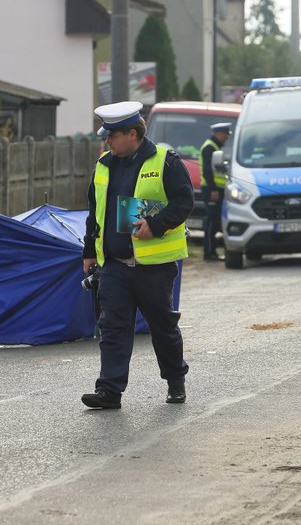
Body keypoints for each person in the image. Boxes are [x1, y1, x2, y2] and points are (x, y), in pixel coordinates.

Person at [81, 101, 194, 409]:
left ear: (132, 134)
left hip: (153, 266)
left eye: (112, 136)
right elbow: (96, 212)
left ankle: (175, 381)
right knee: (113, 328)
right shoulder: (104, 165)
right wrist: (89, 250)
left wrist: (155, 224)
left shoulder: (165, 161)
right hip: (114, 266)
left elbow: (184, 203)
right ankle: (109, 391)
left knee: (162, 327)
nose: (107, 142)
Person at [199, 122, 232, 260]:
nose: (226, 138)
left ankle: (212, 251)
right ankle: (209, 252)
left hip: (216, 189)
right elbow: (207, 170)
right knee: (211, 222)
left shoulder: (215, 147)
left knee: (215, 221)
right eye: (225, 135)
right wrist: (213, 189)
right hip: (211, 189)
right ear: (218, 134)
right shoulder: (209, 147)